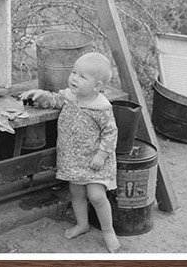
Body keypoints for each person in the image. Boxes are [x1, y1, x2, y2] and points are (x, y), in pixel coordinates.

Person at [20, 52, 121, 253]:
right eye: (74, 72)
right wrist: (39, 96)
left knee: (96, 195)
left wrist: (101, 155)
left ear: (98, 86)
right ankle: (82, 224)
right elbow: (54, 100)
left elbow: (111, 132)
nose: (74, 78)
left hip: (94, 160)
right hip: (73, 159)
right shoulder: (69, 97)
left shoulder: (101, 108)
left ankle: (108, 231)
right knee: (76, 192)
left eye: (83, 77)